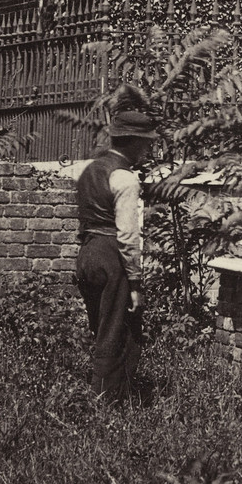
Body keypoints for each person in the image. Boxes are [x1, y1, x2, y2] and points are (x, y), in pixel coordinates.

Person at [74, 101, 157, 404]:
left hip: (86, 253)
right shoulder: (125, 177)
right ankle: (108, 404)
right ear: (134, 143)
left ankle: (103, 394)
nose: (147, 151)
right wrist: (134, 282)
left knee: (100, 326)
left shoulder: (89, 170)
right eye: (146, 144)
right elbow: (128, 235)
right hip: (112, 257)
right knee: (119, 332)